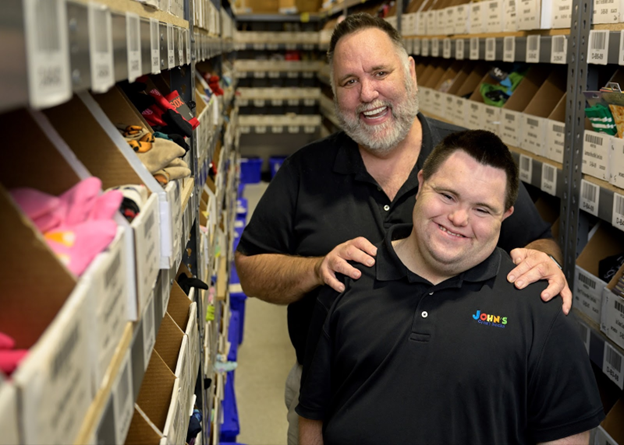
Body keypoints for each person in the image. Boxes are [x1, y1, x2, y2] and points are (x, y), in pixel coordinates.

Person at [235, 13, 572, 444]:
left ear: (409, 72)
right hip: (327, 392)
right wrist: (317, 269)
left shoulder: (464, 161)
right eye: (349, 81)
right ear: (336, 92)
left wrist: (543, 262)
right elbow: (249, 269)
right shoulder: (306, 170)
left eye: (380, 73)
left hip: (456, 392)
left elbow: (536, 240)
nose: (368, 94)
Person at [297, 130, 604, 445]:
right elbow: (312, 415)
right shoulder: (348, 277)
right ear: (421, 184)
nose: (458, 218)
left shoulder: (539, 307)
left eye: (482, 209)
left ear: (506, 215)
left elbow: (568, 436)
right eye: (447, 195)